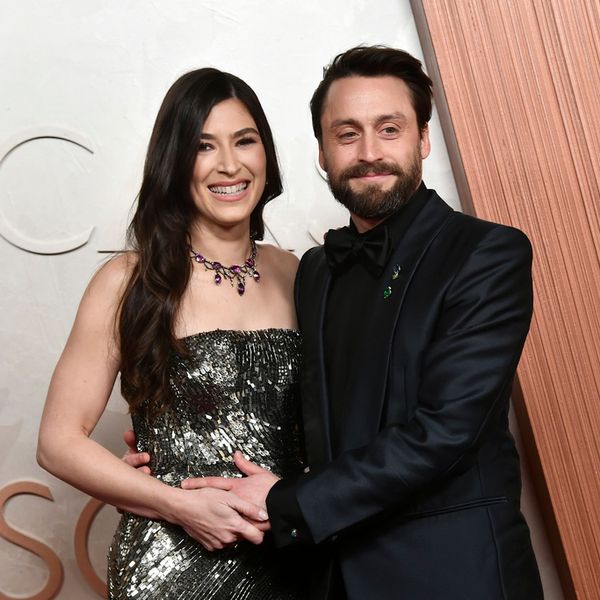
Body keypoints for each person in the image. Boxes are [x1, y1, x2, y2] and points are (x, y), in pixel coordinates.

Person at [179, 46, 544, 599]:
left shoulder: (487, 254)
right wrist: (180, 430)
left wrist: (287, 503)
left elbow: (443, 431)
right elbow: (288, 403)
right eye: (347, 134)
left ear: (423, 139)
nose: (369, 153)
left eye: (389, 129)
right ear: (322, 153)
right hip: (330, 577)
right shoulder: (316, 272)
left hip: (454, 577)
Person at [37, 68, 308, 599]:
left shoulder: (300, 273)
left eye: (244, 141)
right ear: (174, 162)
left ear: (266, 154)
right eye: (204, 146)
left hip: (292, 561)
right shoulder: (127, 281)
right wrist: (178, 504)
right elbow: (57, 441)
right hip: (169, 567)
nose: (229, 165)